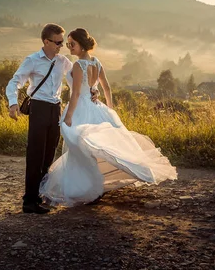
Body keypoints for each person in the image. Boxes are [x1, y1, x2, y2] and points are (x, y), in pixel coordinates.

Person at [39, 28, 178, 207]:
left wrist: (69, 116)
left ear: (81, 45)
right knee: (91, 147)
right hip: (96, 107)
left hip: (81, 108)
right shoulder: (97, 62)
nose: (69, 47)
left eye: (72, 44)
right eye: (67, 44)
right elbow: (106, 88)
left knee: (80, 149)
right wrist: (109, 109)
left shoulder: (78, 65)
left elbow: (75, 95)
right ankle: (92, 186)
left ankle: (86, 188)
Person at [6, 23, 98, 214]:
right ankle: (29, 201)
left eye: (62, 42)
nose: (60, 46)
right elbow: (15, 81)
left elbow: (80, 77)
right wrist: (13, 103)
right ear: (46, 41)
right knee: (35, 155)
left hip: (56, 109)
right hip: (39, 108)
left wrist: (93, 90)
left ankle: (43, 195)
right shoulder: (32, 60)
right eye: (57, 42)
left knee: (49, 154)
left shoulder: (63, 61)